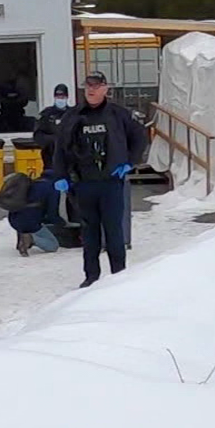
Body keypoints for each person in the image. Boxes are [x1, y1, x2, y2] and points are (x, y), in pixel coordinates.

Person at [48, 71, 149, 288]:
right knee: (89, 232)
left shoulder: (118, 114)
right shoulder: (73, 116)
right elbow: (60, 149)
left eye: (96, 86)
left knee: (114, 230)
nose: (91, 90)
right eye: (88, 87)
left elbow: (140, 136)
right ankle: (91, 276)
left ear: (105, 89)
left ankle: (119, 276)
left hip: (111, 183)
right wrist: (61, 175)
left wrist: (130, 162)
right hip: (84, 184)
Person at [9, 176, 61, 257]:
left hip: (13, 219)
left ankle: (22, 237)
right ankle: (30, 238)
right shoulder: (53, 188)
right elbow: (52, 214)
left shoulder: (31, 183)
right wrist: (62, 223)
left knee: (25, 214)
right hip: (31, 222)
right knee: (53, 246)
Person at [32, 83, 72, 168]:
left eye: (62, 97)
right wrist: (54, 141)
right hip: (50, 159)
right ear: (54, 97)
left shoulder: (72, 114)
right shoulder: (46, 114)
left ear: (67, 97)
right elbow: (38, 135)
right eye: (58, 97)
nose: (60, 99)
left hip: (70, 160)